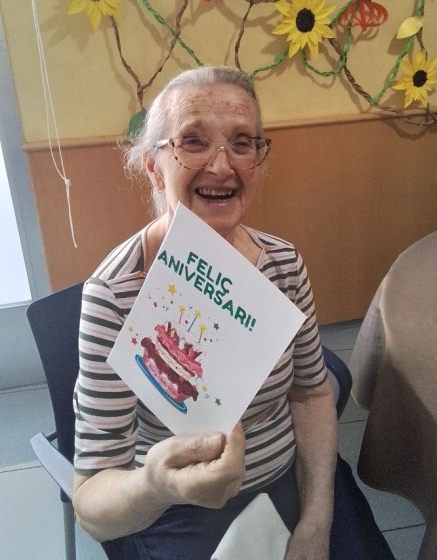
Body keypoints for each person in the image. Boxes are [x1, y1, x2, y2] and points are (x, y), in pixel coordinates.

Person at [72, 66, 394, 560]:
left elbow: (310, 393)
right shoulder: (115, 295)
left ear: (258, 164)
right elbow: (91, 507)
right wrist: (158, 485)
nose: (222, 166)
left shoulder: (283, 265)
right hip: (179, 509)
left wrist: (316, 520)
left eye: (242, 143)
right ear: (154, 168)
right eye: (193, 142)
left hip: (293, 481)